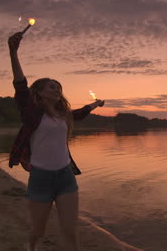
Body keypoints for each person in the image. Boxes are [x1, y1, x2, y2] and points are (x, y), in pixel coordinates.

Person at [8, 32, 105, 251]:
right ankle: (31, 247)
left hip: (65, 176)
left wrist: (96, 104)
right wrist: (13, 52)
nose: (57, 89)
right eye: (51, 86)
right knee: (38, 231)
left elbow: (79, 113)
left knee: (71, 231)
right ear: (40, 93)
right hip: (40, 177)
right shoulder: (31, 113)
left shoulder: (63, 115)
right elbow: (20, 85)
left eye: (58, 87)